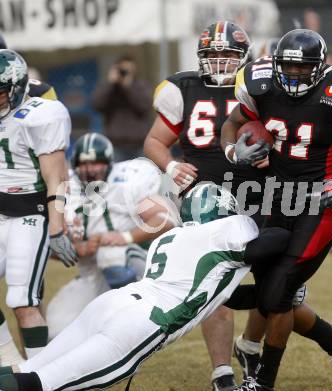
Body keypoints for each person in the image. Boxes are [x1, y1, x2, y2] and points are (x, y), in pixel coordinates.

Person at [145, 22, 332, 391]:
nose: (219, 62)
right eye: (212, 55)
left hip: (264, 197)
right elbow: (157, 140)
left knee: (275, 289)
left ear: (246, 58)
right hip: (210, 202)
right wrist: (172, 165)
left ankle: (261, 351)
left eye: (228, 55)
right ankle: (234, 366)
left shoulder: (265, 86)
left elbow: (295, 132)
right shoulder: (183, 87)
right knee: (231, 287)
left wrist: (272, 155)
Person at [221, 29, 332, 390]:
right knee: (268, 291)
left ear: (320, 67)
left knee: (276, 292)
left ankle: (262, 383)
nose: (295, 76)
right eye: (288, 68)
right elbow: (231, 123)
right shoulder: (263, 86)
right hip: (278, 197)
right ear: (277, 64)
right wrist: (234, 152)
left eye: (303, 70)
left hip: (323, 203)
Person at [0, 184, 295, 391]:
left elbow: (217, 293)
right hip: (141, 322)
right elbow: (275, 239)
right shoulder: (226, 229)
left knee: (29, 369)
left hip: (112, 303)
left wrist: (272, 295)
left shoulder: (170, 238)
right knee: (44, 383)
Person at [46, 133, 177, 339]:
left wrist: (124, 237)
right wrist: (75, 249)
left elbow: (165, 220)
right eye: (84, 164)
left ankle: (135, 318)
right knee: (57, 327)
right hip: (92, 273)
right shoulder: (66, 190)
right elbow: (46, 246)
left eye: (96, 163)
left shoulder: (126, 180)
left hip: (136, 266)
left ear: (109, 163)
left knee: (110, 254)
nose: (90, 170)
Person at [0, 49, 78, 367]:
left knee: (22, 301)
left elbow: (56, 176)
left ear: (17, 88)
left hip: (30, 214)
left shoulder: (40, 114)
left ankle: (42, 373)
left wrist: (57, 226)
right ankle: (8, 362)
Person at [92, 55, 152, 162]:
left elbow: (144, 106)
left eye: (128, 71)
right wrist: (110, 84)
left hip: (139, 145)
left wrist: (128, 88)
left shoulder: (141, 86)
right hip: (116, 145)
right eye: (122, 70)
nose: (125, 73)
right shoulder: (109, 88)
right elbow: (97, 104)